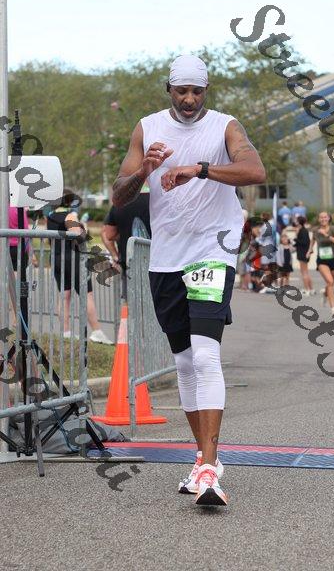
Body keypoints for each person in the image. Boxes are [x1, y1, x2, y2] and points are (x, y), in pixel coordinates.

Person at [112, 54, 266, 506]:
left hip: (211, 253)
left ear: (206, 91)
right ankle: (203, 459)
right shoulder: (147, 128)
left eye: (197, 91)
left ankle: (209, 467)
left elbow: (255, 171)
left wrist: (200, 168)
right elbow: (118, 196)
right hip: (166, 259)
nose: (189, 99)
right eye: (182, 91)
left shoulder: (225, 126)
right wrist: (144, 171)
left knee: (204, 354)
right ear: (169, 90)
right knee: (183, 363)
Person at [46, 189, 112, 344]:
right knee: (86, 294)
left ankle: (66, 331)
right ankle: (97, 331)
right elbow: (80, 237)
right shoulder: (70, 215)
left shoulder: (51, 217)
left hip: (57, 257)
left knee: (64, 295)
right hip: (73, 258)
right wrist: (84, 227)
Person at [101, 187, 151, 299]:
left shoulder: (120, 203)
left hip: (129, 261)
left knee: (132, 300)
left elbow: (108, 234)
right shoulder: (157, 199)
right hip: (157, 261)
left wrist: (124, 235)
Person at [307, 211, 334, 318]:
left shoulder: (333, 229)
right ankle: (333, 308)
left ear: (328, 218)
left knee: (331, 284)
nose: (323, 219)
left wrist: (327, 235)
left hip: (333, 259)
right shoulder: (315, 230)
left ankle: (325, 293)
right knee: (330, 281)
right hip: (321, 260)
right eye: (321, 217)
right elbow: (312, 240)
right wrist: (310, 250)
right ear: (319, 219)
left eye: (325, 217)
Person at [294, 216, 314, 296]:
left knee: (304, 272)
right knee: (306, 272)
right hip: (304, 253)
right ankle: (311, 289)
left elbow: (304, 242)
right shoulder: (303, 230)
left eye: (296, 221)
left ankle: (307, 289)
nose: (295, 222)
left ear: (299, 222)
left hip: (303, 254)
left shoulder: (303, 231)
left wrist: (296, 239)